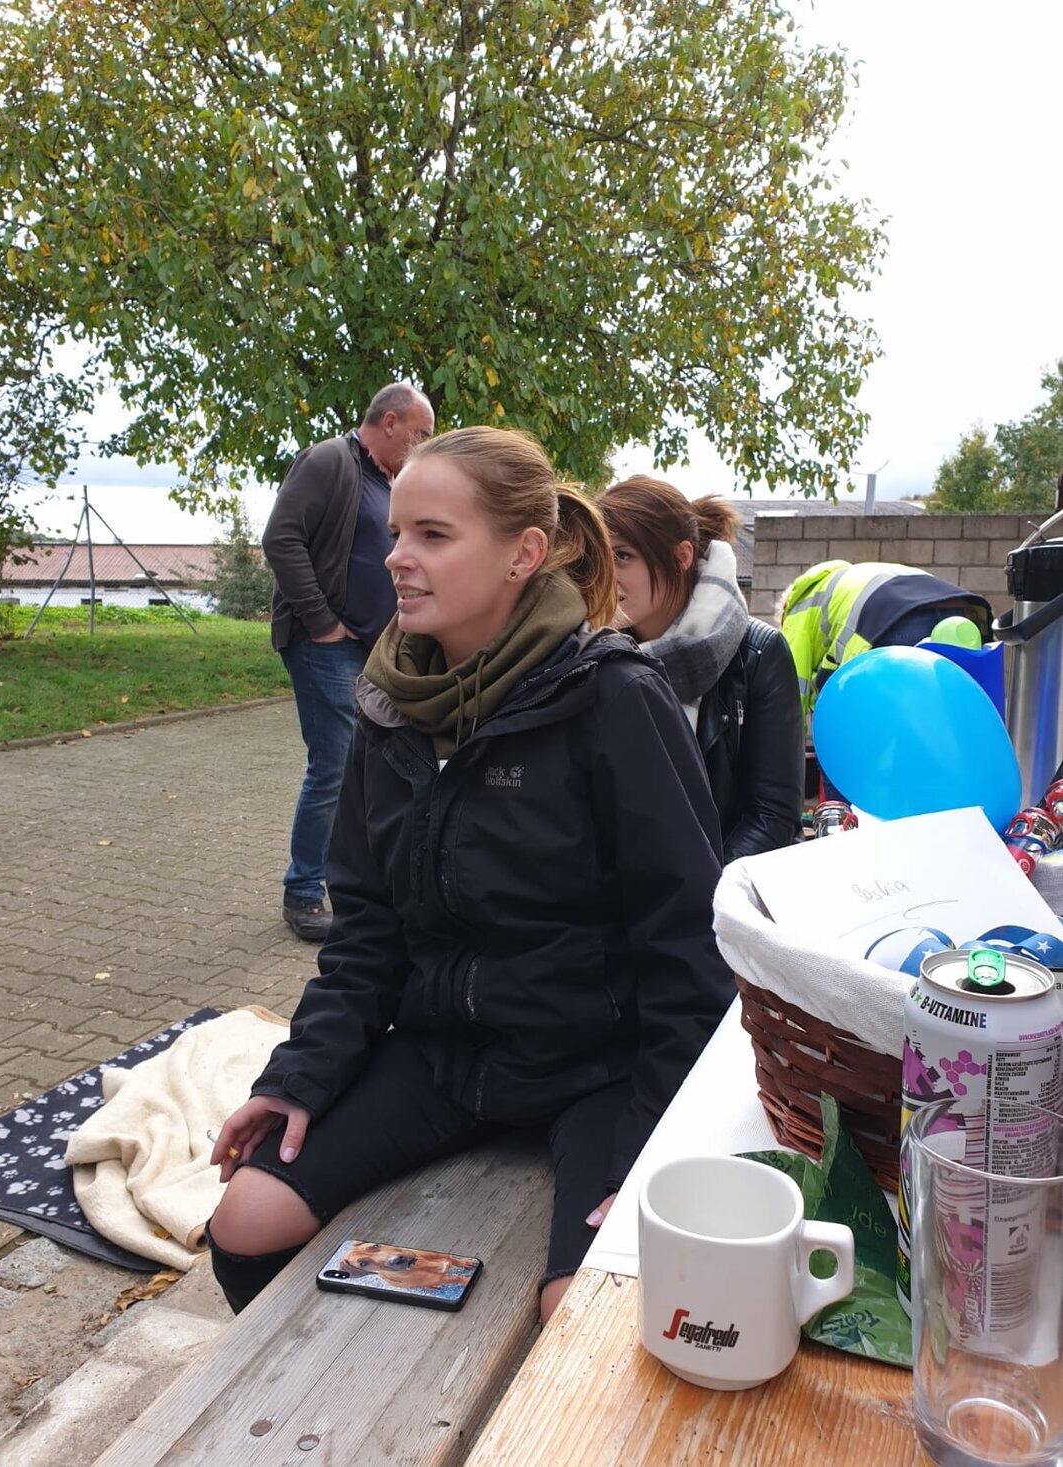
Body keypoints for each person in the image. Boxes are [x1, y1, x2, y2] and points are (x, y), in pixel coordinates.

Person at [209, 426, 735, 1324]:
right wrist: (297, 1076)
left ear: (522, 554)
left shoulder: (614, 696)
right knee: (244, 1221)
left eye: (433, 535)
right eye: (397, 532)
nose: (397, 558)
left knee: (581, 1311)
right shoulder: (388, 707)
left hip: (598, 1067)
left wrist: (657, 1141)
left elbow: (687, 941)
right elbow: (365, 932)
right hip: (444, 1056)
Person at [262, 383, 435, 941]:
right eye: (421, 433)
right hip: (327, 645)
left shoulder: (390, 481)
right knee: (335, 767)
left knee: (373, 764)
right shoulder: (329, 461)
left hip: (373, 648)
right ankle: (303, 889)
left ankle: (359, 883)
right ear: (390, 422)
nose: (423, 444)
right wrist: (321, 622)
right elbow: (281, 539)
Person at [600, 477, 803, 862]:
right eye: (599, 557)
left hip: (719, 885)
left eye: (622, 556)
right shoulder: (593, 654)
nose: (606, 574)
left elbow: (771, 816)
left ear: (682, 556)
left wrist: (701, 889)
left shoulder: (758, 654)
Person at [780, 559, 994, 720]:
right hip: (964, 612)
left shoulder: (798, 610)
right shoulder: (849, 579)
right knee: (951, 710)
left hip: (896, 620)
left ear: (783, 612)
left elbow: (790, 694)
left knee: (846, 719)